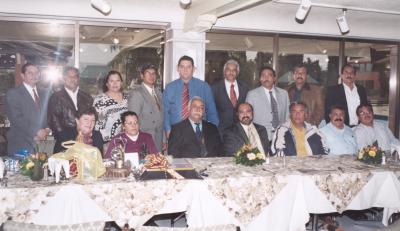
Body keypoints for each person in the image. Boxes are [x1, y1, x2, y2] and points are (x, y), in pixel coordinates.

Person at [163, 55, 218, 137]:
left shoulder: (204, 87)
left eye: (188, 67)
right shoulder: (169, 88)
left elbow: (212, 112)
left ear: (193, 69)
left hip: (198, 132)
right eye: (182, 67)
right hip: (176, 132)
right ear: (178, 68)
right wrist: (168, 130)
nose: (185, 70)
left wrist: (212, 131)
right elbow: (165, 112)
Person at [5, 63, 51, 154]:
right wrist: (36, 131)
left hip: (43, 144)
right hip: (21, 144)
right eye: (30, 73)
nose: (34, 75)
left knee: (43, 168)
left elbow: (50, 114)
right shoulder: (13, 94)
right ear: (22, 75)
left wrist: (47, 130)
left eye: (37, 72)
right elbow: (16, 118)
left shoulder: (46, 93)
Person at [47, 66, 93, 138]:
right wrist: (63, 136)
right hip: (64, 140)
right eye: (69, 76)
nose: (72, 79)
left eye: (75, 76)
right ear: (64, 79)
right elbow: (53, 120)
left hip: (85, 138)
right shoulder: (56, 97)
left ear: (78, 79)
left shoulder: (87, 97)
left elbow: (91, 118)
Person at [246, 66, 290, 141]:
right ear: (260, 79)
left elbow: (287, 116)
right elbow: (248, 118)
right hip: (260, 137)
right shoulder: (252, 94)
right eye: (263, 75)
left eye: (269, 75)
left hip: (281, 137)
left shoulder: (284, 94)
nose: (266, 78)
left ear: (274, 78)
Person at [128, 63, 164, 151]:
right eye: (148, 73)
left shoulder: (159, 93)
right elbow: (133, 120)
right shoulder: (137, 93)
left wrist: (164, 140)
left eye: (154, 73)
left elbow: (161, 117)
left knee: (157, 163)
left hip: (158, 138)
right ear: (142, 76)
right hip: (144, 138)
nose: (151, 76)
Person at [212, 59, 249, 132]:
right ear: (224, 72)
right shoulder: (215, 87)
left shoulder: (244, 87)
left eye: (234, 70)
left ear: (238, 72)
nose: (231, 72)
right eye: (228, 70)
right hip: (220, 130)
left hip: (240, 129)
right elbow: (210, 109)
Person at [93, 71, 128, 142]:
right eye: (111, 81)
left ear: (121, 83)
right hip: (106, 141)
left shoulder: (128, 98)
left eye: (117, 80)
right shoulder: (100, 100)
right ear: (107, 84)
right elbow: (96, 124)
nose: (115, 83)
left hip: (126, 139)